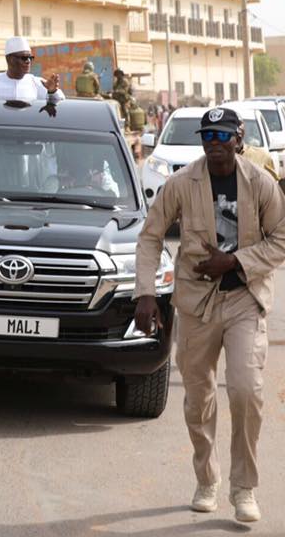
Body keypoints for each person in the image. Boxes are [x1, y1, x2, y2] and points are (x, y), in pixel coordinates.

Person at [133, 107, 285, 523]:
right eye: (207, 137)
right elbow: (150, 237)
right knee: (198, 399)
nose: (214, 145)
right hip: (196, 303)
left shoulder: (261, 183)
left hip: (243, 299)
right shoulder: (182, 183)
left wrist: (235, 262)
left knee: (245, 390)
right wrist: (146, 293)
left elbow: (282, 237)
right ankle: (207, 478)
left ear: (239, 138)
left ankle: (244, 488)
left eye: (222, 137)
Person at [0, 37, 65, 103]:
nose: (28, 61)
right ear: (10, 59)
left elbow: (60, 102)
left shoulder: (37, 83)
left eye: (30, 58)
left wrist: (52, 92)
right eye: (24, 58)